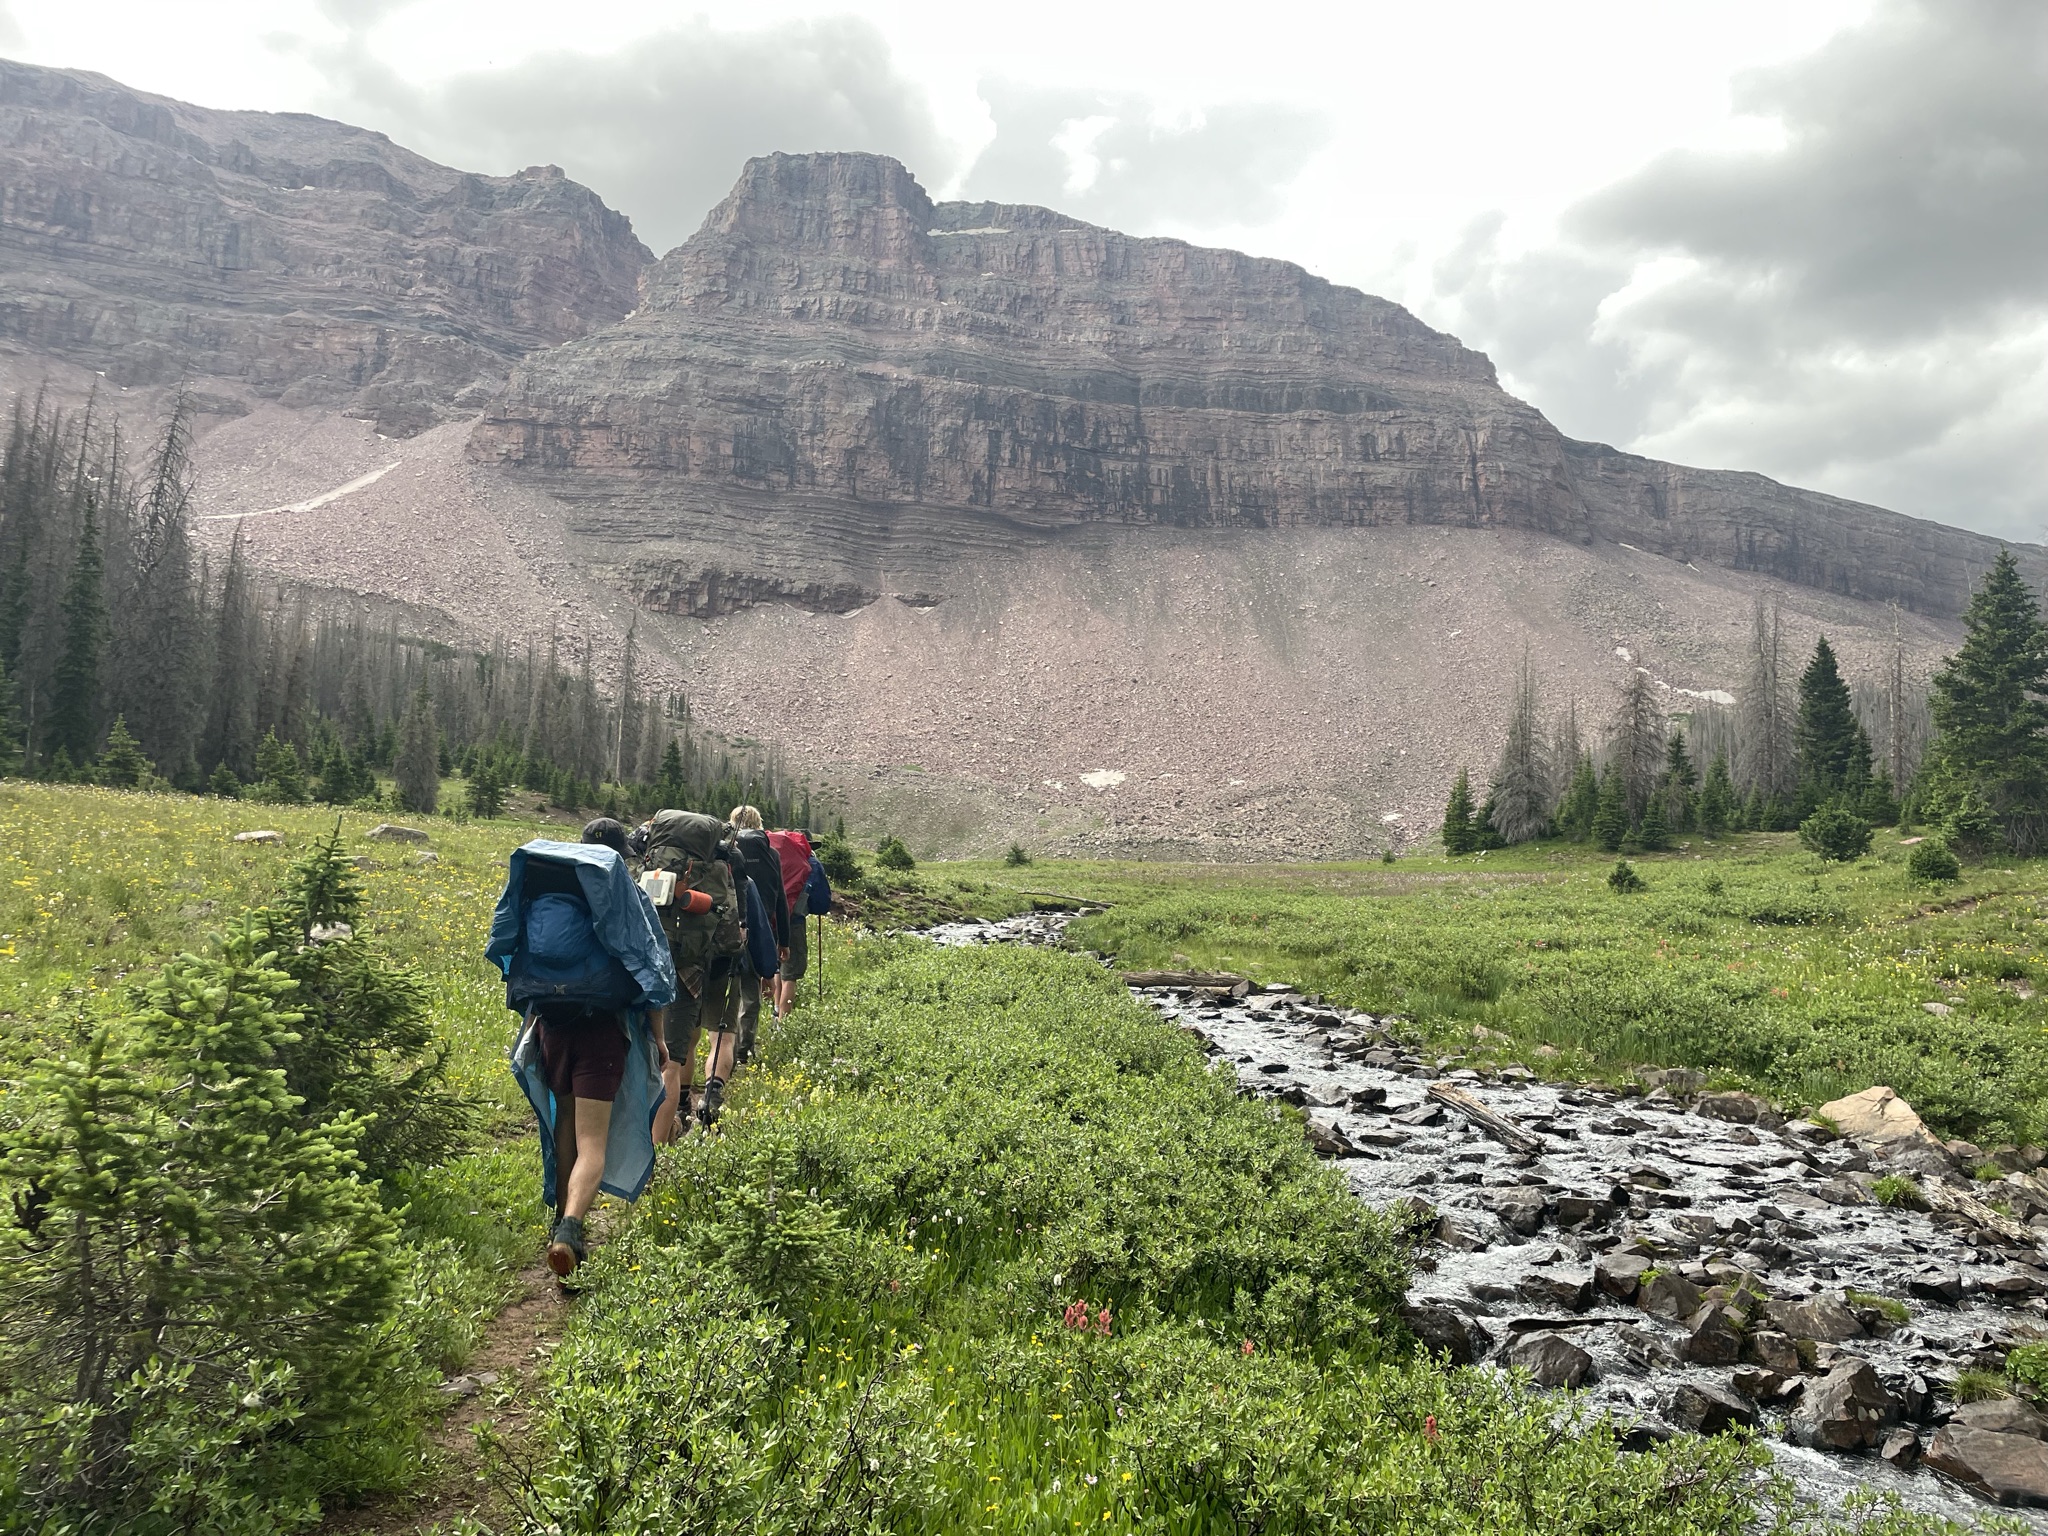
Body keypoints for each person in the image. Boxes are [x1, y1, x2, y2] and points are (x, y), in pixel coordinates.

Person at [488, 818, 675, 1277]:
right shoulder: (622, 892)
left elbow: (508, 945)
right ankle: (570, 1229)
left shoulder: (548, 882)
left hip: (552, 1026)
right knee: (593, 1142)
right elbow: (652, 968)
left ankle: (559, 1219)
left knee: (565, 1122)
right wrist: (659, 1038)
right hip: (601, 1030)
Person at [727, 805, 787, 1066]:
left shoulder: (724, 850)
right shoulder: (771, 854)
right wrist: (784, 940)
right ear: (759, 823)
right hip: (760, 930)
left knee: (726, 992)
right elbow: (780, 898)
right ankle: (744, 1049)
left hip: (727, 927)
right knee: (751, 992)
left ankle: (723, 1047)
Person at [766, 825, 816, 1017]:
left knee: (778, 968)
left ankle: (776, 1011)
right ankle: (783, 1022)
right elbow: (821, 900)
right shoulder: (811, 863)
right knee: (791, 974)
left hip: (770, 919)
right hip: (794, 921)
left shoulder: (772, 856)